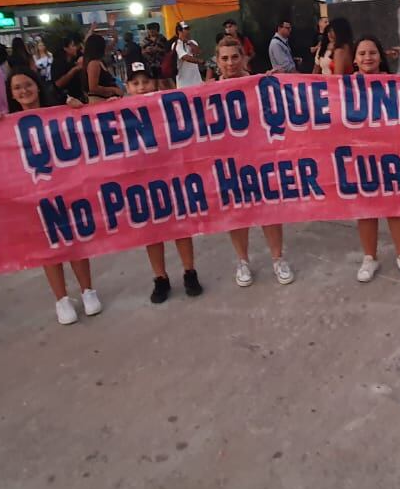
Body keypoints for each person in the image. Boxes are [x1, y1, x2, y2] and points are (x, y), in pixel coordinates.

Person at [7, 69, 103, 322]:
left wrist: (77, 109)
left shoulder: (59, 113)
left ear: (38, 87)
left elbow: (86, 132)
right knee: (48, 247)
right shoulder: (5, 126)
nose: (24, 91)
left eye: (28, 85)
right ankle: (61, 299)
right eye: (17, 88)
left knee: (74, 241)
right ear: (11, 94)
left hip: (65, 188)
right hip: (32, 194)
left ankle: (87, 291)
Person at [213, 37, 294, 286]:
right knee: (236, 213)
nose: (230, 63)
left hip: (260, 158)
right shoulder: (207, 92)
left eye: (235, 57)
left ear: (244, 58)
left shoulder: (261, 85)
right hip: (228, 162)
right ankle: (243, 260)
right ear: (217, 62)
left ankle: (278, 258)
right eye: (224, 58)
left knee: (268, 209)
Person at [122, 62, 203, 304]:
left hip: (171, 175)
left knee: (181, 225)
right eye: (135, 83)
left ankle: (189, 272)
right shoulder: (118, 111)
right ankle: (160, 278)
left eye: (145, 81)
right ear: (127, 87)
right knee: (153, 230)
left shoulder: (169, 103)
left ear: (154, 83)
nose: (141, 87)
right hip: (141, 180)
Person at [351, 35, 400, 283]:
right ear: (355, 60)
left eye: (372, 52)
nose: (367, 57)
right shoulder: (342, 87)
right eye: (362, 53)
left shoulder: (395, 84)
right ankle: (370, 257)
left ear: (380, 56)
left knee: (396, 206)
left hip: (392, 154)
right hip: (360, 155)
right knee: (366, 208)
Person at [83, 32, 124, 101]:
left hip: (107, 99)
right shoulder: (94, 64)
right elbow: (93, 87)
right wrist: (113, 90)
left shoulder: (99, 61)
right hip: (99, 100)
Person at [48, 34, 86, 103]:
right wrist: (74, 70)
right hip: (65, 101)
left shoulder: (75, 58)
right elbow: (58, 84)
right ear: (65, 48)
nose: (76, 48)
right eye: (73, 45)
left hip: (78, 97)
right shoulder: (58, 63)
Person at [171, 20, 205, 87]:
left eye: (188, 29)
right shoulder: (176, 45)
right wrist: (199, 61)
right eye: (185, 29)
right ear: (179, 31)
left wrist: (188, 42)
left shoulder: (192, 42)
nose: (188, 31)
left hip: (197, 80)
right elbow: (185, 57)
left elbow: (197, 51)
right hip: (184, 83)